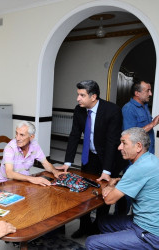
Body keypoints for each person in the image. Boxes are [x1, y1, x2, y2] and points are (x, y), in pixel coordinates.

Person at [58, 80, 123, 238]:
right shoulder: (79, 110)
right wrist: (67, 162)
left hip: (109, 158)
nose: (78, 98)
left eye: (82, 95)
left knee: (103, 194)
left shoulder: (112, 110)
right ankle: (84, 227)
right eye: (78, 94)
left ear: (93, 96)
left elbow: (111, 142)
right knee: (84, 192)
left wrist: (107, 170)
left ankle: (99, 227)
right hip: (90, 157)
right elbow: (74, 135)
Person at [85, 127, 159, 249]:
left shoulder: (138, 168)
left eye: (124, 143)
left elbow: (109, 199)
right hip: (145, 222)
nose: (119, 147)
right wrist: (118, 184)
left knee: (91, 242)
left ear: (138, 146)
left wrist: (109, 186)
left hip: (151, 233)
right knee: (103, 222)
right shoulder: (150, 159)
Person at [0, 121, 63, 185]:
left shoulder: (34, 145)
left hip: (24, 181)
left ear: (31, 137)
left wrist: (55, 171)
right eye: (16, 133)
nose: (17, 138)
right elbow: (9, 173)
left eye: (22, 135)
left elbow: (46, 163)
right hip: (7, 184)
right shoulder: (10, 148)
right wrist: (32, 179)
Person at [122, 79, 159, 154]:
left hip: (148, 153)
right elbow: (130, 135)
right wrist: (152, 124)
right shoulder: (128, 109)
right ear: (137, 93)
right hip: (137, 156)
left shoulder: (145, 106)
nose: (150, 94)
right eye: (147, 91)